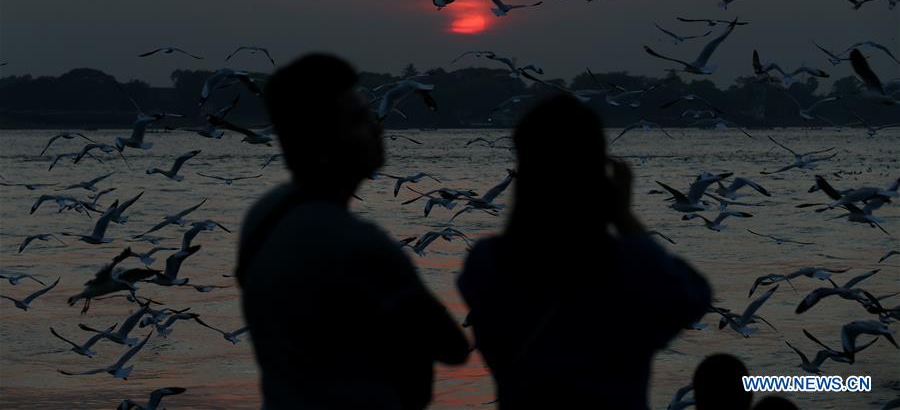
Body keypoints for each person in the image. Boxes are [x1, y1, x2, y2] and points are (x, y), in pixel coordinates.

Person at [238, 54, 469, 410]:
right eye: (360, 119)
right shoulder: (355, 243)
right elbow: (452, 346)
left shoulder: (264, 215)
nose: (378, 128)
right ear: (323, 140)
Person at [457, 94, 711, 409]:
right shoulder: (627, 270)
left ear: (525, 173)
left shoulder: (489, 263)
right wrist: (624, 217)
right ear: (598, 176)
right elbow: (692, 296)